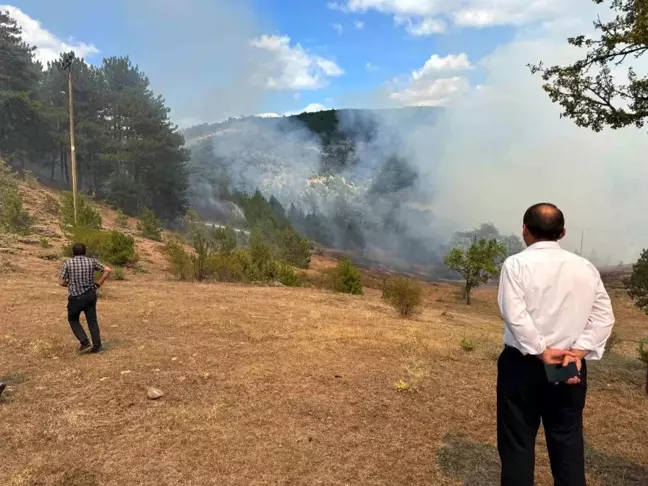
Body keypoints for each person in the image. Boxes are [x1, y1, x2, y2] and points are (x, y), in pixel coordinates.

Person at [497, 203, 615, 486]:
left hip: (523, 364)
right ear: (562, 233)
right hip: (568, 365)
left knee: (518, 442)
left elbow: (515, 314)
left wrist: (540, 351)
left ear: (525, 229)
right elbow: (604, 317)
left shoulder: (515, 265)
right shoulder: (585, 268)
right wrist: (578, 352)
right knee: (567, 441)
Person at [58, 243, 112, 353]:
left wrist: (71, 284)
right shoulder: (92, 261)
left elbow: (61, 282)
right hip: (90, 295)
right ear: (85, 251)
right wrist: (99, 283)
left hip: (76, 297)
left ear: (73, 252)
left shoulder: (68, 263)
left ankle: (84, 342)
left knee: (73, 319)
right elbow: (108, 270)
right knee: (92, 321)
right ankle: (97, 346)